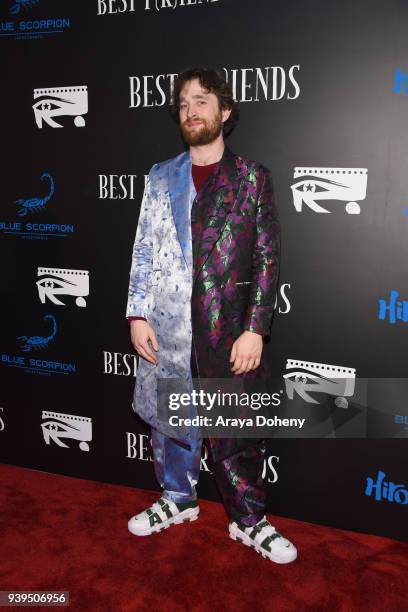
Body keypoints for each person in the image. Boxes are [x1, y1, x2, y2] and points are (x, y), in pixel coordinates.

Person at [126, 68, 297, 564]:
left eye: (202, 101)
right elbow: (144, 250)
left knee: (236, 429)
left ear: (225, 112)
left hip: (228, 331)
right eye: (182, 104)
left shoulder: (251, 178)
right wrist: (138, 314)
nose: (191, 110)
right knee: (169, 419)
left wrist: (255, 327)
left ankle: (250, 521)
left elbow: (267, 258)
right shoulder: (161, 176)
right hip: (168, 326)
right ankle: (177, 499)